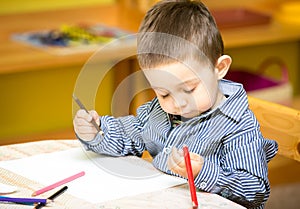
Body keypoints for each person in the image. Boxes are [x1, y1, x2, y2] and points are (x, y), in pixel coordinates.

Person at [73, 0, 278, 208]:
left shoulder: (239, 125)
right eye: (163, 94)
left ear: (220, 68)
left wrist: (202, 172)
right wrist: (97, 132)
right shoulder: (159, 113)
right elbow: (129, 136)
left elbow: (255, 191)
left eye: (189, 90)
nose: (178, 103)